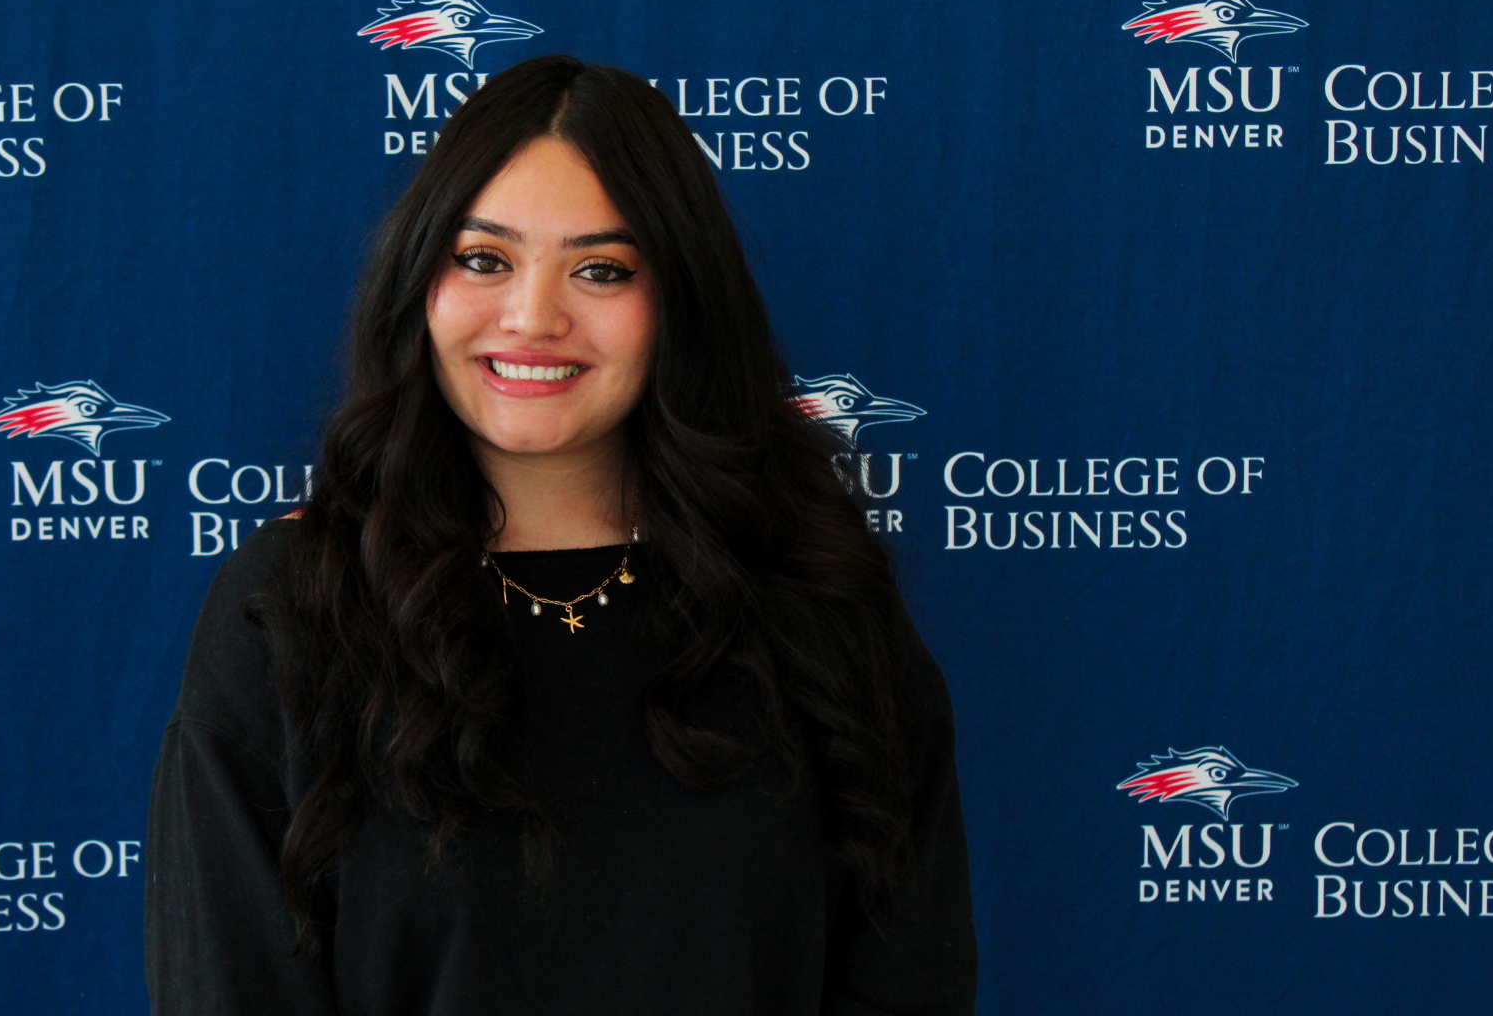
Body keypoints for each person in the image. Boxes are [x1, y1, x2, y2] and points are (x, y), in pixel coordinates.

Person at [144, 55, 975, 1015]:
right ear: (419, 279)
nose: (534, 316)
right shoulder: (288, 607)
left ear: (681, 304)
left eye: (601, 270)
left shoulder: (813, 596)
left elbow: (909, 977)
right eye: (484, 259)